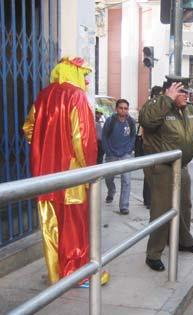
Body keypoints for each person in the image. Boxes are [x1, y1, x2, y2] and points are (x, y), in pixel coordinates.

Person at [22, 57, 108, 286]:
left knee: (52, 227)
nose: (87, 80)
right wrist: (89, 172)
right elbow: (83, 140)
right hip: (72, 178)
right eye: (84, 74)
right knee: (75, 227)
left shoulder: (43, 96)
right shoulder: (76, 97)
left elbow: (28, 128)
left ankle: (56, 273)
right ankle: (76, 275)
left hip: (45, 176)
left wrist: (44, 149)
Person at [139, 75, 193, 271]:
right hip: (162, 167)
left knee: (184, 206)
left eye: (188, 92)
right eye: (182, 92)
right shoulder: (157, 105)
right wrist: (166, 100)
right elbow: (147, 120)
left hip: (182, 166)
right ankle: (154, 253)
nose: (187, 96)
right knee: (161, 209)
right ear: (169, 92)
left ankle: (183, 241)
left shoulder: (187, 109)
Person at [102, 99, 136, 215]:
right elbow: (104, 137)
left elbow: (133, 137)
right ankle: (111, 191)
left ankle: (124, 206)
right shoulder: (110, 121)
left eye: (125, 108)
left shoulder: (131, 122)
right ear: (116, 109)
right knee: (108, 178)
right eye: (121, 108)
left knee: (126, 180)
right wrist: (108, 151)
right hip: (111, 155)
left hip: (125, 155)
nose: (123, 110)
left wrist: (129, 149)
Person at [136, 86, 162, 209]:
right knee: (150, 174)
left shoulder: (148, 107)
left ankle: (149, 200)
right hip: (150, 145)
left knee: (151, 174)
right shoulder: (151, 108)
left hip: (151, 145)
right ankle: (149, 200)